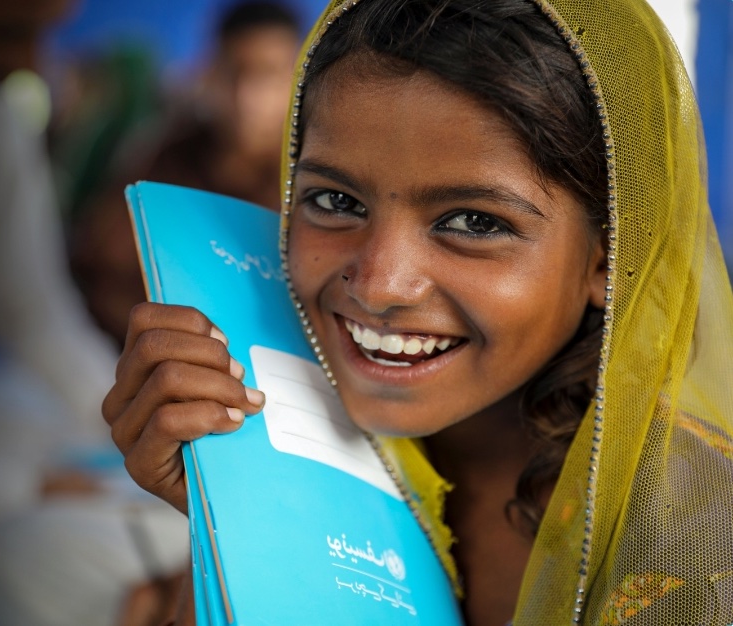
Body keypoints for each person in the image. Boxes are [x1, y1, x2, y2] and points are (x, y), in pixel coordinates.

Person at [101, 0, 733, 624]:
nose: (379, 286)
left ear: (608, 255)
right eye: (335, 200)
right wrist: (236, 515)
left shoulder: (691, 549)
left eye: (474, 222)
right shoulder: (293, 401)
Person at [0, 0, 188, 623]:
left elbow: (34, 315)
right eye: (1, 32)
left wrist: (130, 412)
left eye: (42, 37)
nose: (27, 64)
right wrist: (20, 488)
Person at [68, 1, 301, 346]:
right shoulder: (170, 157)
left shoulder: (311, 175)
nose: (246, 96)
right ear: (210, 71)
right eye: (233, 72)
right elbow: (98, 271)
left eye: (268, 74)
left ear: (297, 80)